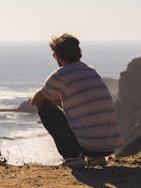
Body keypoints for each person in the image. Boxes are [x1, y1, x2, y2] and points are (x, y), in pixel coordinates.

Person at [30, 33, 123, 168]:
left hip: (89, 146)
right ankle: (95, 158)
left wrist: (54, 99)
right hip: (109, 146)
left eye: (53, 54)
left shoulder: (61, 75)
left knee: (45, 108)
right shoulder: (91, 71)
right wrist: (61, 99)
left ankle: (72, 157)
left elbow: (35, 100)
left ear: (57, 55)